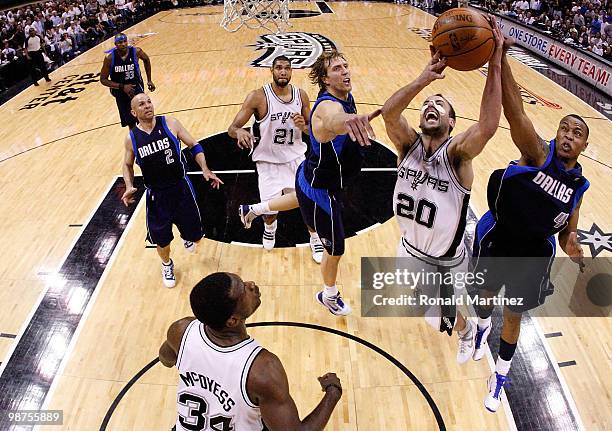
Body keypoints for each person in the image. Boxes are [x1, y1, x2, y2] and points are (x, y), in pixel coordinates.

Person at [471, 38, 590, 412]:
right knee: (484, 299)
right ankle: (481, 326)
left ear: (585, 145)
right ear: (557, 133)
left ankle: (501, 376)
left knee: (515, 314)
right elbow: (514, 110)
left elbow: (569, 228)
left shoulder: (579, 185)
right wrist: (500, 57)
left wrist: (572, 242)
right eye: (565, 129)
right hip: (499, 235)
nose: (569, 135)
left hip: (534, 250)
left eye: (577, 133)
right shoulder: (538, 152)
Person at [380, 16, 504, 364]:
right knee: (424, 305)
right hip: (409, 248)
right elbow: (390, 114)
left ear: (452, 123)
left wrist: (494, 63)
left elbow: (489, 125)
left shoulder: (457, 154)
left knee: (438, 318)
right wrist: (424, 78)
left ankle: (472, 330)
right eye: (427, 104)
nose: (431, 106)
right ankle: (471, 324)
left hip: (445, 261)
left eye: (441, 105)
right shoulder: (407, 145)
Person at [241, 51, 380, 316]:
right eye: (337, 68)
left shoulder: (335, 96)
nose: (345, 71)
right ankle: (328, 294)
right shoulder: (326, 105)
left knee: (299, 198)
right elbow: (329, 119)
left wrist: (423, 79)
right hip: (313, 180)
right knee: (336, 247)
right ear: (326, 79)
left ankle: (253, 209)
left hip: (304, 165)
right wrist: (349, 122)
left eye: (346, 65)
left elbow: (313, 127)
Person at [159, 272, 343, 431]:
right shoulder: (261, 370)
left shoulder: (181, 331)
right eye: (244, 291)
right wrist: (332, 393)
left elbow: (165, 359)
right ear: (232, 321)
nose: (251, 285)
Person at [228, 55, 324, 262]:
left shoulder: (302, 96)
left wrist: (304, 127)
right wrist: (241, 133)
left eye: (287, 68)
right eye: (279, 68)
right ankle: (270, 229)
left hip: (296, 159)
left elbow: (313, 131)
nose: (283, 72)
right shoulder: (257, 97)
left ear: (291, 71)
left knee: (307, 203)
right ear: (272, 70)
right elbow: (232, 128)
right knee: (271, 212)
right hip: (268, 162)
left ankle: (315, 238)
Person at [121, 93, 223, 288]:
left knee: (196, 237)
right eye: (141, 104)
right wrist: (129, 185)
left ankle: (187, 236)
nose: (147, 106)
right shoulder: (132, 138)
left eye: (149, 101)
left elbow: (194, 145)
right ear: (134, 112)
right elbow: (127, 165)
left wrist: (205, 168)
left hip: (181, 189)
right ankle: (167, 264)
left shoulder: (170, 123)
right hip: (157, 197)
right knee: (162, 240)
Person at [100, 33, 155, 128]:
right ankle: (136, 141)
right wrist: (122, 86)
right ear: (115, 44)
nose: (123, 44)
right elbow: (103, 80)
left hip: (136, 87)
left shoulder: (136, 51)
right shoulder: (110, 58)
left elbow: (146, 59)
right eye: (120, 42)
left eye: (125, 41)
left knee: (145, 117)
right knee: (131, 123)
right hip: (120, 91)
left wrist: (149, 80)